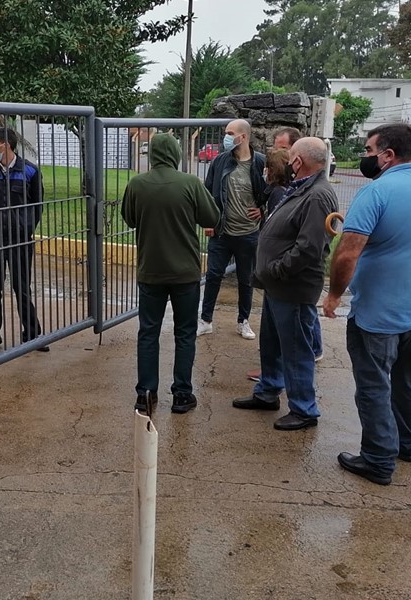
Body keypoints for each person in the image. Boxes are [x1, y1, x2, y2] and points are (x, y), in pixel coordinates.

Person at [324, 124, 411, 485]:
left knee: (373, 385)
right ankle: (406, 444)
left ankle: (378, 459)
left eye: (369, 151)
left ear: (387, 155)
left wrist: (334, 294)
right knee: (410, 378)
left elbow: (346, 253)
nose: (366, 157)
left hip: (380, 313)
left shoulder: (377, 192)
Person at [234, 138, 338, 431]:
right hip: (278, 285)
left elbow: (309, 248)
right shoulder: (303, 188)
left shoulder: (317, 196)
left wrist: (277, 269)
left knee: (295, 350)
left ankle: (304, 409)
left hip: (292, 286)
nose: (288, 162)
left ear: (298, 161)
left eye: (291, 157)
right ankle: (268, 391)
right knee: (272, 344)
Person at [121, 133, 221, 414]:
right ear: (176, 153)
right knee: (185, 332)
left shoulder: (137, 184)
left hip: (151, 271)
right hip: (184, 273)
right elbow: (212, 218)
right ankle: (182, 394)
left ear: (152, 154)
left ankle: (146, 393)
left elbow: (129, 218)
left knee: (148, 332)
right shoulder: (190, 183)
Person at [0, 127, 46, 354]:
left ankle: (32, 334)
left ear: (6, 145)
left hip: (19, 240)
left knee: (22, 288)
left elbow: (37, 205)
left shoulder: (30, 171)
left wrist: (25, 229)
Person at [198, 119, 269, 341]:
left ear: (243, 137)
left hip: (249, 233)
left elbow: (272, 191)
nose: (226, 137)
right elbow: (208, 193)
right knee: (213, 276)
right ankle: (206, 321)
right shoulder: (220, 161)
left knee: (246, 280)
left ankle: (243, 321)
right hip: (222, 232)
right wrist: (208, 222)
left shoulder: (260, 162)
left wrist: (263, 210)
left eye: (230, 133)